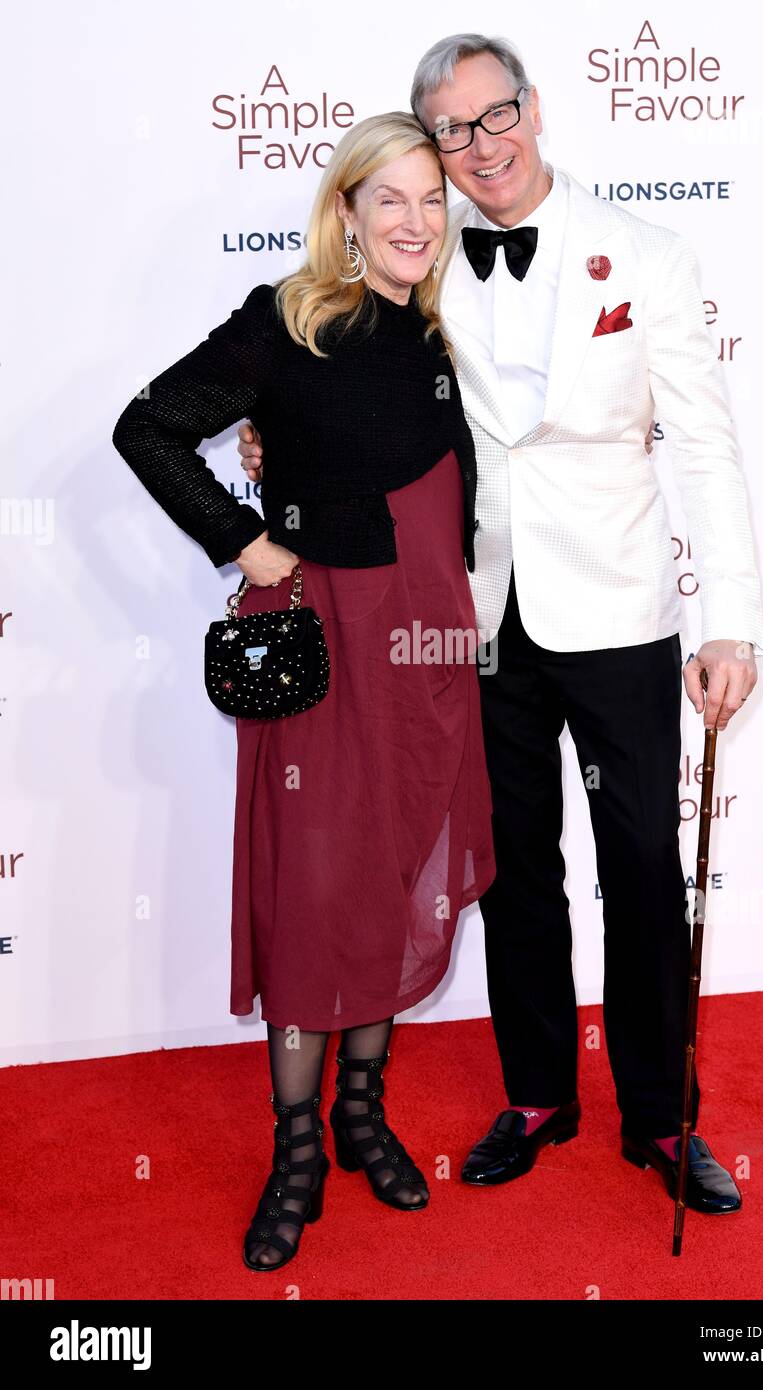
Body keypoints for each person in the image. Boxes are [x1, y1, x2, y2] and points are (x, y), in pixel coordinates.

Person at [239, 34, 763, 1217]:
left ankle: (664, 1119)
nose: (481, 146)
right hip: (467, 614)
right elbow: (336, 377)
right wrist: (274, 443)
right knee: (515, 863)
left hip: (622, 603)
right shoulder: (414, 263)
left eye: (497, 115)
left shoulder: (650, 255)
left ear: (535, 108)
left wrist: (731, 617)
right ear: (429, 145)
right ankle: (536, 1094)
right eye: (452, 129)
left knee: (641, 862)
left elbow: (707, 449)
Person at [111, 111, 496, 1271]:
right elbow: (149, 425)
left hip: (425, 648)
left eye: (433, 199)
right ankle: (292, 1150)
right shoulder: (285, 319)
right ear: (346, 211)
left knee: (383, 872)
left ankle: (359, 1116)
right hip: (323, 647)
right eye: (390, 199)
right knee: (312, 883)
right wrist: (246, 538)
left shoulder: (440, 331)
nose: (416, 221)